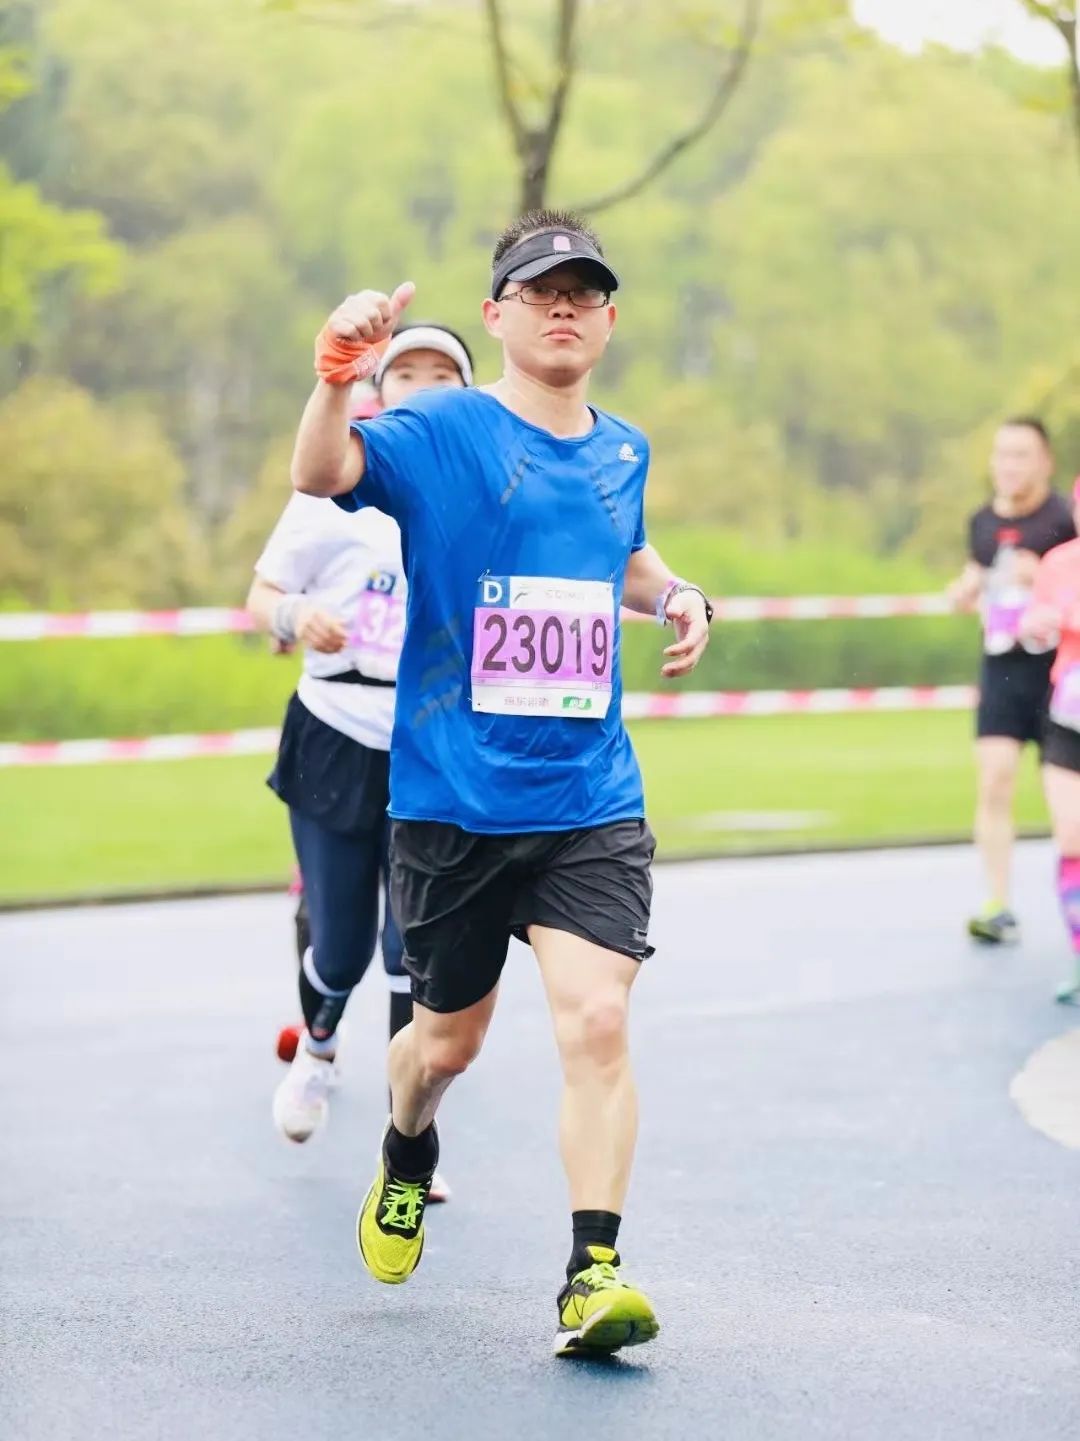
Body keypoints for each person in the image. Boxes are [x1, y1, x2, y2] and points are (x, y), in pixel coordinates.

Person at [290, 207, 713, 1358]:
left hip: (588, 797)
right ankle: (407, 1146)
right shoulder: (442, 427)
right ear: (498, 314)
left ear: (610, 320)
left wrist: (677, 594)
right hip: (453, 803)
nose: (565, 308)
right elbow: (323, 470)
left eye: (585, 292)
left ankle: (592, 1273)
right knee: (444, 1049)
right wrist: (335, 378)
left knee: (598, 1016)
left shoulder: (624, 449)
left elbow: (621, 553)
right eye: (541, 292)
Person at [248, 324, 474, 1212]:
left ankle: (406, 1138)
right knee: (340, 946)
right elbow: (263, 593)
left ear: (467, 391)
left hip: (433, 745)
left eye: (442, 373)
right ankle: (317, 1047)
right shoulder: (337, 479)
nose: (423, 384)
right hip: (336, 730)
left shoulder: (481, 487)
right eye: (405, 371)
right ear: (382, 388)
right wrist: (294, 616)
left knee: (412, 950)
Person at [946, 418, 1074, 944]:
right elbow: (980, 577)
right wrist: (966, 588)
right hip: (1001, 667)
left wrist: (1040, 574)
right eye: (1002, 454)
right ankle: (998, 904)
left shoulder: (1065, 519)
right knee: (994, 779)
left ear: (1045, 462)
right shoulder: (981, 521)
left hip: (1061, 676)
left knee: (1066, 802)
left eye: (1021, 454)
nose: (1009, 465)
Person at [1021, 476, 1080, 1005]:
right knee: (1071, 837)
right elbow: (1036, 629)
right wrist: (1036, 626)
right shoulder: (1058, 563)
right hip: (1069, 714)